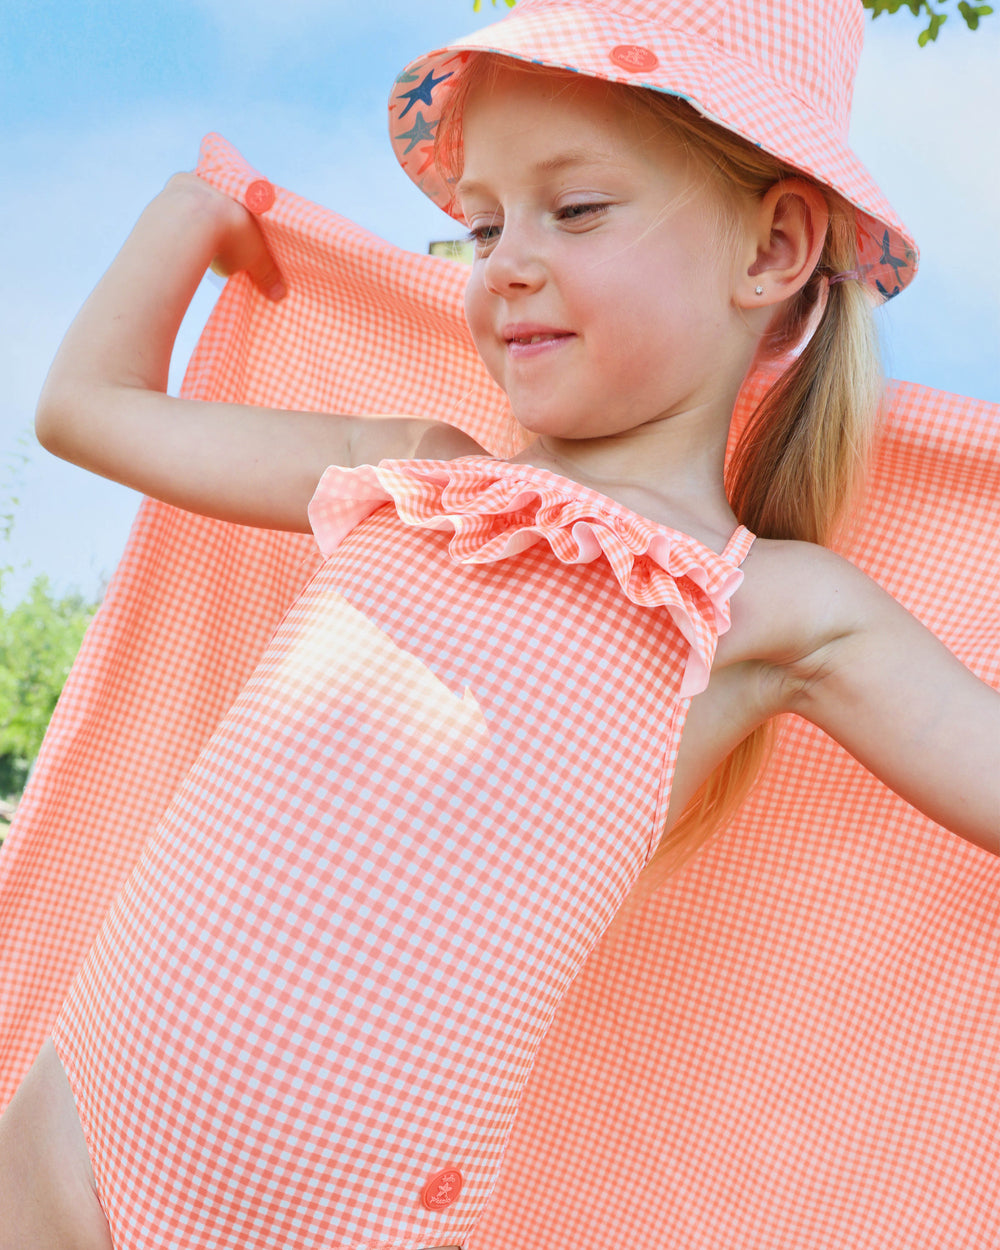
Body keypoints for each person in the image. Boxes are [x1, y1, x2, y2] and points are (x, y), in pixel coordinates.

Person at [1, 0, 997, 1247]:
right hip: (63, 1127)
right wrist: (189, 215)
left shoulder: (764, 605)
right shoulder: (415, 474)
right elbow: (87, 410)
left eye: (574, 210)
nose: (504, 262)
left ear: (775, 245)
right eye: (478, 225)